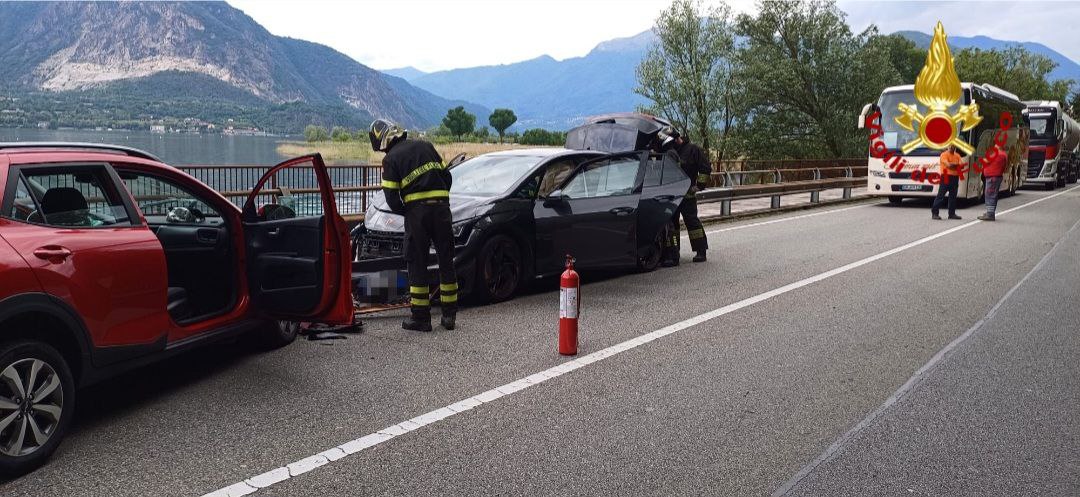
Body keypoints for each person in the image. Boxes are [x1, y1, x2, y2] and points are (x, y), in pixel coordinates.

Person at [371, 119, 458, 332]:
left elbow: (392, 198)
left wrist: (409, 211)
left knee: (417, 262)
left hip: (418, 214)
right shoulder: (426, 145)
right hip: (442, 210)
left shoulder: (391, 159)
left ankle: (421, 318)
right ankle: (449, 316)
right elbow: (447, 177)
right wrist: (439, 199)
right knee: (446, 260)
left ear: (382, 142)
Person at [656, 128, 710, 265]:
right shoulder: (669, 151)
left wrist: (698, 186)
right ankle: (673, 255)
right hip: (673, 196)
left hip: (687, 196)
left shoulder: (693, 150)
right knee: (672, 226)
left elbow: (705, 168)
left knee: (692, 223)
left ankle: (701, 251)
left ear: (676, 139)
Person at [931, 144, 964, 220]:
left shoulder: (957, 155)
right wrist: (956, 165)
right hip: (945, 176)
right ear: (947, 146)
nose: (951, 147)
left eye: (953, 146)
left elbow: (962, 166)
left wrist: (953, 165)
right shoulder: (944, 155)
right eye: (950, 146)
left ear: (955, 147)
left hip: (955, 177)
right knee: (941, 195)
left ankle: (952, 214)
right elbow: (949, 165)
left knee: (953, 196)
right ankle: (935, 213)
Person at [978, 148, 1007, 221]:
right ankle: (990, 212)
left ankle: (990, 214)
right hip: (996, 176)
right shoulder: (1003, 154)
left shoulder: (997, 154)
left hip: (992, 177)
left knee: (990, 195)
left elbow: (985, 161)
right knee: (992, 195)